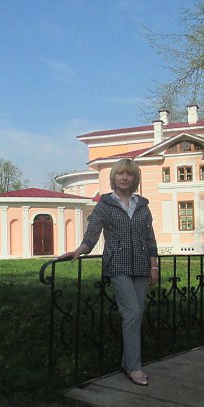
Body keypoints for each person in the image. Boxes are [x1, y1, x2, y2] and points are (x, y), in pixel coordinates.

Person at [60, 158, 158, 386]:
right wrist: (78, 251)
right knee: (132, 313)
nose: (124, 177)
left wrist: (153, 266)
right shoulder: (105, 204)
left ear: (134, 178)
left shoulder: (142, 206)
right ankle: (134, 368)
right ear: (114, 177)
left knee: (137, 315)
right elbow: (92, 234)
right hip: (118, 265)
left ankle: (128, 362)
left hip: (141, 266)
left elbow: (150, 239)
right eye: (120, 173)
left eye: (129, 174)